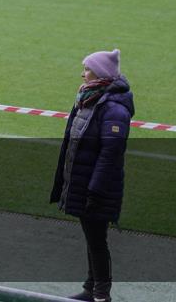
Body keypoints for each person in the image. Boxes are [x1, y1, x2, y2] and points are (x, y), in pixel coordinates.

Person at [50, 49, 134, 302]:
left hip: (96, 187)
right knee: (92, 236)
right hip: (84, 182)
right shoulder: (88, 99)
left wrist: (94, 190)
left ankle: (101, 294)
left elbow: (110, 153)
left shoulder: (114, 109)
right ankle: (91, 288)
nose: (82, 73)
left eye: (87, 69)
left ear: (100, 73)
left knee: (97, 239)